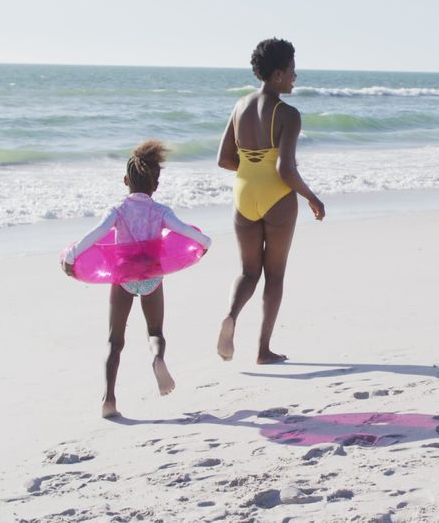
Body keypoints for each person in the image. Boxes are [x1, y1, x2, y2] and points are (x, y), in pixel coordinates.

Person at [62, 141, 213, 418]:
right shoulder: (162, 211)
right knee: (155, 332)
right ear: (156, 185)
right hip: (152, 276)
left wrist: (70, 257)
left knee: (114, 341)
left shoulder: (117, 210)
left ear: (125, 181)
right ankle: (157, 358)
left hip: (123, 277)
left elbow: (94, 235)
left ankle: (109, 400)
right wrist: (203, 244)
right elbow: (190, 233)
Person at [216, 38, 325, 364]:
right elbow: (285, 169)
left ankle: (232, 315)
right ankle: (263, 350)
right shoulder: (288, 114)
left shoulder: (240, 106)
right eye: (292, 71)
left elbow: (224, 159)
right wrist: (311, 197)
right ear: (277, 74)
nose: (295, 77)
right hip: (277, 196)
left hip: (244, 194)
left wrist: (253, 171)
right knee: (274, 275)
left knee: (249, 272)